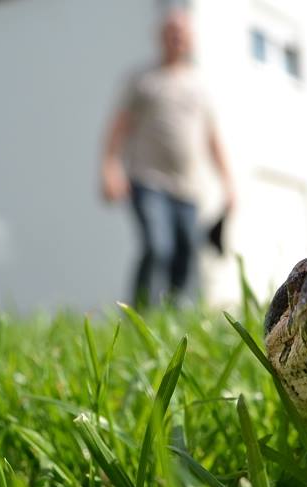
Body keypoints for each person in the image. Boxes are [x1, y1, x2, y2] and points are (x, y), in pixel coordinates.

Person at [100, 8, 235, 307]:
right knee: (158, 246)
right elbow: (117, 128)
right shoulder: (143, 80)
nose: (176, 38)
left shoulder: (199, 86)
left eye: (181, 33)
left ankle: (174, 315)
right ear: (160, 38)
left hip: (188, 188)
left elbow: (212, 140)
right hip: (148, 180)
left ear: (190, 40)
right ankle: (138, 312)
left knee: (185, 252)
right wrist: (110, 168)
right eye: (170, 32)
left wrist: (228, 185)